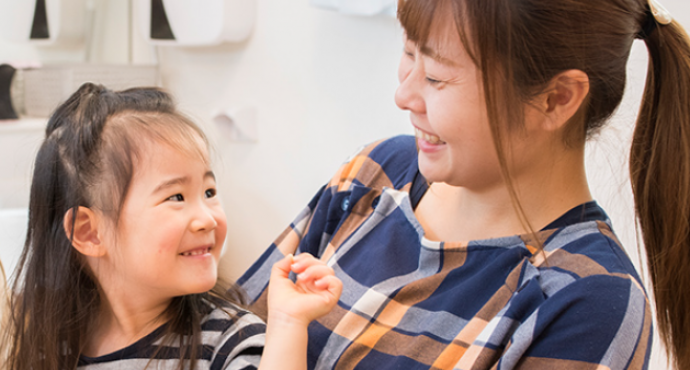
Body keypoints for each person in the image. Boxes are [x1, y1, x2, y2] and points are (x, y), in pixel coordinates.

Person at [238, 0, 690, 369]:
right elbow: (224, 339)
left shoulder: (587, 300)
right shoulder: (374, 174)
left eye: (436, 76)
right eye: (409, 54)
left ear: (556, 99)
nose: (405, 96)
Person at [0, 83, 342, 370]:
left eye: (209, 192)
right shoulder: (53, 347)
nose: (207, 217)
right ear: (89, 232)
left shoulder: (230, 340)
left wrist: (287, 324)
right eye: (176, 197)